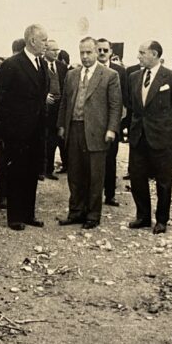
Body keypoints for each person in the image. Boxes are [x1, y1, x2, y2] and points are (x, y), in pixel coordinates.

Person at [56, 37, 122, 229]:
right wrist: (61, 125)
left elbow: (115, 105)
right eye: (82, 52)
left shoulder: (109, 75)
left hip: (97, 132)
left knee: (95, 175)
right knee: (75, 173)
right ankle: (76, 212)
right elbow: (65, 102)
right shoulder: (72, 75)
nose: (85, 57)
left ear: (96, 52)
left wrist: (111, 129)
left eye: (89, 52)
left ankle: (93, 215)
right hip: (74, 129)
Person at [127, 40, 172, 234]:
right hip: (139, 136)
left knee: (163, 181)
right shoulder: (134, 76)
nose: (138, 56)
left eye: (142, 52)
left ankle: (161, 220)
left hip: (162, 137)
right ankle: (143, 217)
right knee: (137, 178)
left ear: (154, 54)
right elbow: (132, 105)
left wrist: (166, 127)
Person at [0, 25, 49, 231]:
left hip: (36, 130)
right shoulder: (12, 64)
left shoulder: (41, 64)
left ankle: (28, 214)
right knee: (16, 172)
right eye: (44, 40)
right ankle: (15, 217)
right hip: (15, 131)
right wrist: (0, 131)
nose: (46, 43)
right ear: (32, 40)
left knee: (31, 172)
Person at [0, 38, 25, 209]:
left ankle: (7, 194)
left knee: (9, 160)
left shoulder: (7, 67)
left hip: (7, 122)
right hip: (5, 123)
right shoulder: (7, 67)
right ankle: (2, 195)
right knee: (5, 159)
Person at [96, 38, 128, 207]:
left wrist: (118, 122)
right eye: (99, 50)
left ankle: (109, 194)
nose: (101, 53)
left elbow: (124, 98)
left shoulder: (120, 71)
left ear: (111, 52)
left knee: (110, 158)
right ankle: (93, 194)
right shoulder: (90, 69)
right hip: (94, 121)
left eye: (105, 50)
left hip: (112, 121)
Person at [43, 39, 67, 180]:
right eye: (53, 50)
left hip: (59, 106)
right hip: (46, 106)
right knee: (47, 138)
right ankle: (44, 169)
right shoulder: (40, 65)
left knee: (59, 137)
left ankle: (57, 167)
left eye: (58, 50)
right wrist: (44, 96)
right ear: (46, 50)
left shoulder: (62, 67)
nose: (56, 53)